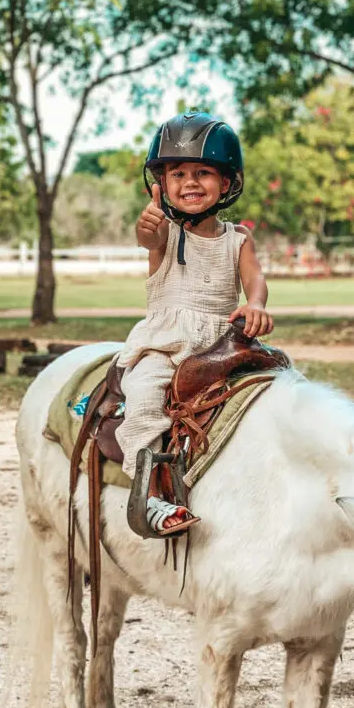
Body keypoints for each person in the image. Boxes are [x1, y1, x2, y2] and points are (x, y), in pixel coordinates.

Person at [115, 111, 274, 537]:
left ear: (226, 183)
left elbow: (254, 280)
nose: (189, 182)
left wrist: (255, 305)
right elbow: (148, 239)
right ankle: (148, 498)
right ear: (161, 185)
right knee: (145, 400)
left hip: (219, 349)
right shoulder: (164, 232)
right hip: (165, 348)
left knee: (277, 392)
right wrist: (147, 227)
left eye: (203, 172)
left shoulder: (237, 239)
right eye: (178, 173)